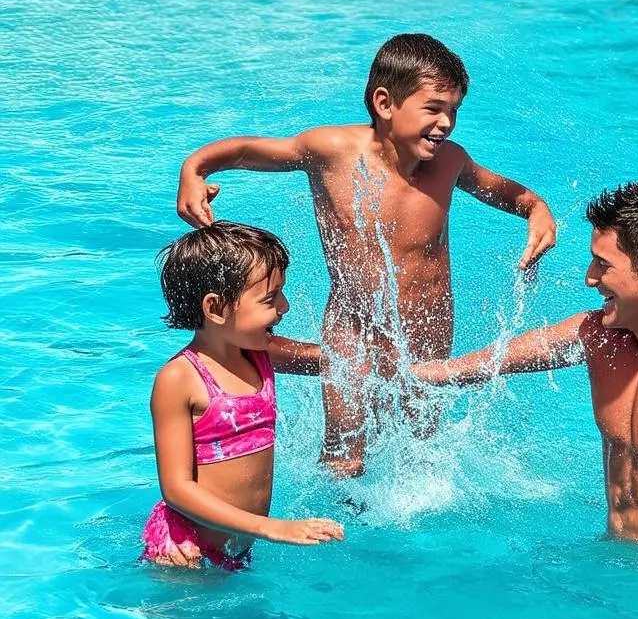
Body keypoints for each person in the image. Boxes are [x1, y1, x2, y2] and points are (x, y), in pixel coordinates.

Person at [175, 33, 557, 477]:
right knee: (344, 456)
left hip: (429, 329)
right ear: (384, 102)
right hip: (352, 330)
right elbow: (250, 150)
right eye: (433, 108)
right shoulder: (331, 151)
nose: (447, 122)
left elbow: (502, 190)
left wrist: (537, 210)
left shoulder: (450, 162)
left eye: (453, 110)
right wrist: (195, 169)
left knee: (420, 457)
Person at [412, 181, 638, 549]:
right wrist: (406, 376)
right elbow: (494, 361)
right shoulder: (601, 338)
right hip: (610, 559)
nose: (589, 278)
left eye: (603, 264)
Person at [143, 221, 345, 570]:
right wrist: (272, 528)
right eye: (270, 297)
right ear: (216, 308)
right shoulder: (180, 378)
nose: (285, 306)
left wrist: (389, 359)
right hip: (186, 552)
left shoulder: (260, 354)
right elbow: (176, 489)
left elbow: (336, 362)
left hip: (236, 547)